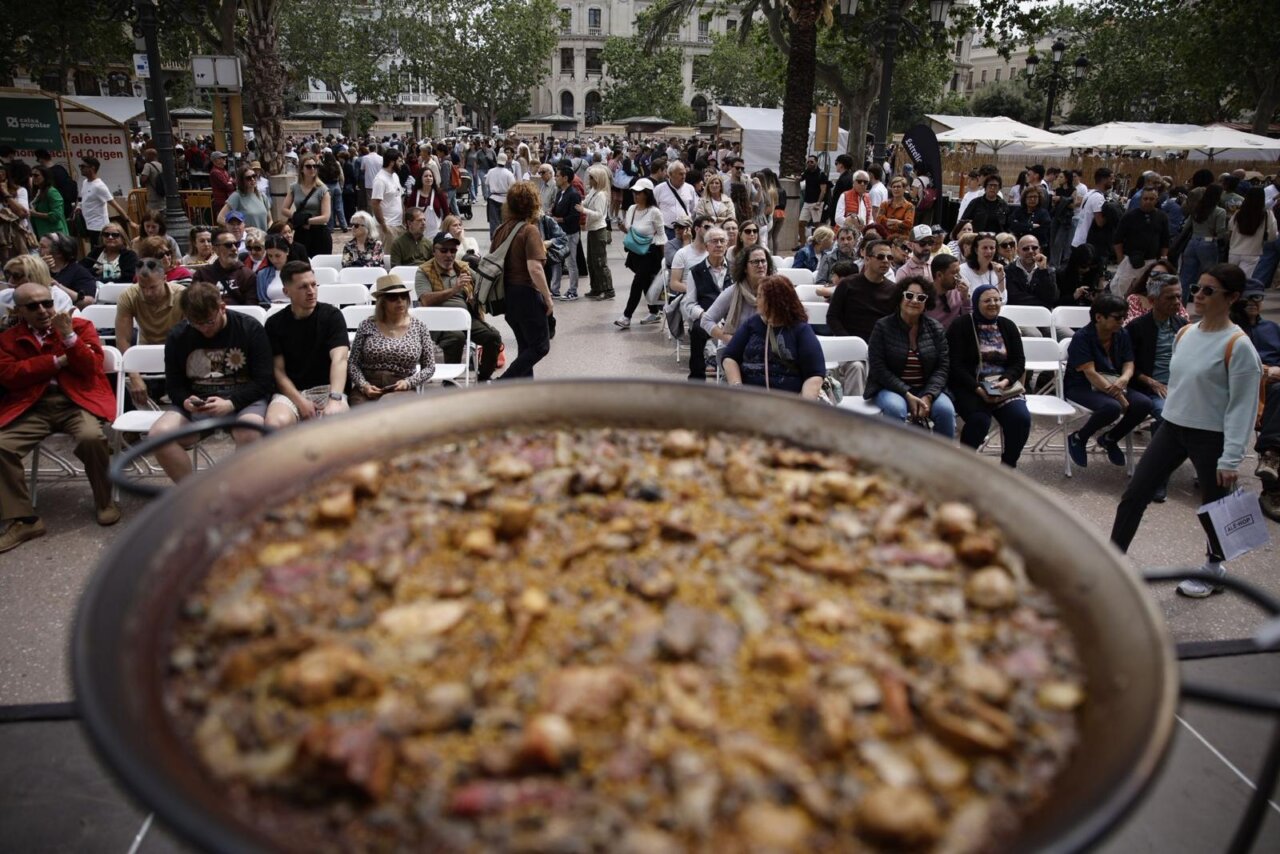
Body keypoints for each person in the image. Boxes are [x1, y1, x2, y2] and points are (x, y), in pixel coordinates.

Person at [1111, 264, 1262, 597]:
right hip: (1173, 427)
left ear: (1232, 298)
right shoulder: (1185, 333)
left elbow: (1243, 407)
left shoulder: (1239, 346)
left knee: (1215, 508)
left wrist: (1231, 457)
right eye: (1196, 288)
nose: (1197, 296)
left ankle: (1213, 569)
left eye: (1209, 291)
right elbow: (1179, 384)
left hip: (1211, 436)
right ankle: (1112, 562)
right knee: (1135, 495)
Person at [0, 282, 120, 550]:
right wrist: (57, 362)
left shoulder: (80, 327)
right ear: (19, 311)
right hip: (32, 405)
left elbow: (90, 367)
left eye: (47, 303)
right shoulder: (8, 339)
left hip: (76, 400)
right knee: (1, 446)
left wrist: (69, 337)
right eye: (33, 306)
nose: (43, 310)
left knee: (92, 437)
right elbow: (9, 376)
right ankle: (25, 520)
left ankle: (105, 501)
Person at [149, 282, 273, 483]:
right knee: (158, 436)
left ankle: (239, 491)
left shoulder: (249, 328)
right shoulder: (179, 335)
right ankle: (192, 493)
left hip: (243, 399)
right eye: (195, 323)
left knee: (250, 431)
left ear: (222, 307)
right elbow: (173, 386)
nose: (204, 329)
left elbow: (264, 381)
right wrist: (186, 401)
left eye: (209, 322)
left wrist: (231, 403)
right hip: (199, 402)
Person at [1064, 293, 1154, 469]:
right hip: (1082, 386)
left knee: (1144, 403)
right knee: (1112, 407)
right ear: (1099, 317)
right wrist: (1120, 397)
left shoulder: (1121, 334)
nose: (1122, 321)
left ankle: (1110, 438)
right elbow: (1090, 373)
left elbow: (1129, 362)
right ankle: (1079, 438)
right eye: (1117, 317)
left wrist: (1124, 378)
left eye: (1124, 317)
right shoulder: (1082, 337)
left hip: (1114, 382)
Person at [947, 284, 1031, 467]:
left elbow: (1019, 361)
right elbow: (955, 365)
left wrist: (1006, 380)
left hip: (1002, 386)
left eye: (997, 299)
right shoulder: (961, 325)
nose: (993, 303)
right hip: (970, 386)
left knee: (1020, 418)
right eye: (987, 300)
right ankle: (963, 464)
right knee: (979, 421)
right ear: (976, 303)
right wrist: (978, 388)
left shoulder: (1008, 326)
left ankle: (1008, 465)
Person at [1125, 270, 1188, 502]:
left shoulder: (1183, 327)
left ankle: (1212, 475)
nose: (1177, 302)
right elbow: (1126, 365)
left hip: (1182, 388)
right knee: (1165, 416)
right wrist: (1151, 382)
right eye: (1170, 297)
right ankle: (1156, 479)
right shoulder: (1137, 328)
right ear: (1152, 300)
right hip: (1150, 389)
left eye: (1179, 296)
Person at [866, 276, 955, 437]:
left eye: (921, 298)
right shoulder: (882, 326)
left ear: (926, 303)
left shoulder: (936, 328)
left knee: (946, 411)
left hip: (927, 389)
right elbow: (878, 368)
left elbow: (942, 367)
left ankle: (942, 454)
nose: (914, 301)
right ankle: (896, 453)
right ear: (900, 298)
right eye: (909, 295)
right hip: (891, 389)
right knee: (896, 409)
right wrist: (907, 394)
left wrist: (928, 396)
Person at [263, 261, 349, 428]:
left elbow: (339, 359)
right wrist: (300, 401)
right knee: (274, 424)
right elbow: (278, 371)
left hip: (328, 389)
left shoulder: (332, 316)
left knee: (338, 417)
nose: (311, 291)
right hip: (291, 392)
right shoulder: (274, 324)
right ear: (286, 292)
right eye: (303, 287)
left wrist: (335, 399)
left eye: (313, 285)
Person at [415, 231, 503, 382]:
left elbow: (483, 284)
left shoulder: (462, 268)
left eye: (453, 251)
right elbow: (426, 300)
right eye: (444, 250)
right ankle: (450, 381)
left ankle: (483, 378)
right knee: (456, 337)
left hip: (466, 318)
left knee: (493, 337)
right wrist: (454, 289)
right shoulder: (424, 271)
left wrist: (478, 295)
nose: (449, 255)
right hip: (438, 322)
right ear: (434, 251)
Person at [722, 275, 825, 399]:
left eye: (760, 296)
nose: (756, 300)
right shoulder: (752, 324)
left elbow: (814, 374)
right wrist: (737, 387)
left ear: (774, 300)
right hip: (749, 398)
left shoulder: (800, 330)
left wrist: (802, 405)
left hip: (788, 401)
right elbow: (730, 357)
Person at [489, 181, 552, 379]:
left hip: (507, 295)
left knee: (525, 346)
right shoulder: (529, 230)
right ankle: (503, 383)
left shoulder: (501, 230)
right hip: (526, 293)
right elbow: (535, 268)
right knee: (540, 346)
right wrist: (548, 298)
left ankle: (524, 391)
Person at [1233, 280, 1280, 519]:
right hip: (1243, 388)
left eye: (1258, 298)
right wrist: (1262, 370)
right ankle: (1271, 458)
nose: (1253, 303)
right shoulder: (1231, 329)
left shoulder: (1272, 328)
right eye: (1248, 298)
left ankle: (1271, 459)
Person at [349, 274, 435, 404]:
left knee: (389, 407)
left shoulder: (419, 327)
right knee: (363, 410)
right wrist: (364, 385)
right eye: (393, 297)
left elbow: (429, 367)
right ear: (382, 301)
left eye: (404, 296)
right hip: (369, 384)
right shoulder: (366, 325)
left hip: (401, 387)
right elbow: (353, 363)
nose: (400, 301)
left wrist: (409, 382)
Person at [116, 256, 186, 407]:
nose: (147, 293)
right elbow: (123, 339)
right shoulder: (128, 296)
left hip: (178, 351)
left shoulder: (182, 295)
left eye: (153, 287)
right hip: (146, 349)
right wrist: (134, 375)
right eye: (143, 287)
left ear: (165, 279)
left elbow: (192, 335)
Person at [615, 178, 667, 329]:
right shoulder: (631, 209)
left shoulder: (655, 212)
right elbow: (630, 230)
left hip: (650, 253)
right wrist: (623, 228)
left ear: (647, 194)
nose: (635, 195)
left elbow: (662, 236)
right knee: (644, 282)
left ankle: (627, 316)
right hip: (635, 253)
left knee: (637, 283)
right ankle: (654, 312)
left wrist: (664, 260)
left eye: (639, 193)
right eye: (634, 192)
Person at [683, 226, 732, 381]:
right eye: (714, 241)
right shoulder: (695, 271)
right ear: (706, 246)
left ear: (727, 245)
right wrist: (705, 316)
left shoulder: (736, 269)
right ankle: (696, 379)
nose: (719, 245)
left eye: (722, 241)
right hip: (707, 317)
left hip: (732, 318)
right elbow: (690, 304)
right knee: (697, 330)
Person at [703, 244, 772, 351]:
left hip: (768, 348)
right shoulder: (733, 291)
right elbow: (706, 320)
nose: (760, 265)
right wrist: (730, 339)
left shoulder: (775, 291)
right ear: (744, 268)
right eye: (755, 262)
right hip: (737, 349)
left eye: (763, 261)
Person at [827, 239, 897, 340]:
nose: (886, 261)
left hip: (880, 343)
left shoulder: (894, 290)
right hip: (849, 342)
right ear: (867, 259)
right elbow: (832, 316)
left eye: (889, 257)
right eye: (880, 257)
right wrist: (848, 340)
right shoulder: (847, 284)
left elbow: (894, 323)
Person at [1110, 186, 1169, 296]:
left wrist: (1163, 259)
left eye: (1151, 199)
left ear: (1156, 200)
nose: (1148, 201)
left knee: (1150, 292)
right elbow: (1117, 239)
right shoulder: (1129, 216)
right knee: (1120, 291)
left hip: (1152, 261)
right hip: (1129, 260)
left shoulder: (1162, 217)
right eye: (1145, 198)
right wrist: (1120, 259)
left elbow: (1165, 240)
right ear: (1141, 199)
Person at [76, 156, 134, 251]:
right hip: (89, 226)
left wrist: (129, 221)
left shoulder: (99, 186)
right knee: (96, 253)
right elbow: (84, 199)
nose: (80, 168)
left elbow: (115, 205)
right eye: (80, 166)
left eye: (83, 166)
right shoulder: (85, 182)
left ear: (92, 168)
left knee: (101, 252)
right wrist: (79, 207)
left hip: (99, 227)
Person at [283, 154, 333, 257]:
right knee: (301, 262)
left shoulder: (323, 189)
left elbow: (326, 217)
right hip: (301, 232)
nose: (312, 169)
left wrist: (306, 220)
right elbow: (284, 209)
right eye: (308, 166)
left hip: (319, 232)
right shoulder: (294, 187)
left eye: (315, 166)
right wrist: (296, 216)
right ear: (302, 169)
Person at [192, 227, 257, 305]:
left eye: (236, 244)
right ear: (215, 249)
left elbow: (251, 306)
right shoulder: (202, 275)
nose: (234, 248)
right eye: (228, 245)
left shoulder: (247, 275)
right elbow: (194, 304)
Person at [2, 255, 74, 321]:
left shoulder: (59, 297)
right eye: (9, 275)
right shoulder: (4, 296)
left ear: (33, 277)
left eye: (16, 276)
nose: (10, 281)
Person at [549, 164, 583, 300]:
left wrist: (559, 219)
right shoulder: (560, 193)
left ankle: (573, 290)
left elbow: (574, 216)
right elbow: (556, 209)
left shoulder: (573, 195)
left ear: (565, 178)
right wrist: (551, 213)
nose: (555, 178)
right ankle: (555, 289)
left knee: (571, 262)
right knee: (556, 261)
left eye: (557, 176)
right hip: (559, 233)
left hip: (570, 233)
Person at [580, 163, 614, 300]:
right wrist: (580, 204)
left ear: (598, 179)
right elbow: (586, 201)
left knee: (600, 262)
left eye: (592, 178)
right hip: (592, 229)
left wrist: (583, 210)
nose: (589, 180)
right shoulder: (594, 191)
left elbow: (599, 214)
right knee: (592, 261)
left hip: (599, 230)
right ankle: (596, 287)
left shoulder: (601, 195)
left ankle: (608, 289)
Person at [1228, 187, 1276, 277]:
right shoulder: (1267, 214)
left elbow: (1230, 230)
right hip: (1252, 252)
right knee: (1244, 279)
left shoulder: (1238, 213)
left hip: (1234, 251)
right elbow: (1272, 235)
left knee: (1231, 279)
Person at [43, 233, 98, 310]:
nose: (38, 250)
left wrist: (58, 287)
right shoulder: (37, 269)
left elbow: (89, 302)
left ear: (59, 253)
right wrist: (40, 267)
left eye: (43, 247)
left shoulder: (79, 272)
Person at [218, 165, 271, 231]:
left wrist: (270, 231)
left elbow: (270, 220)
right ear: (242, 181)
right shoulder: (237, 196)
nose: (252, 179)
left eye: (254, 176)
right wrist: (239, 229)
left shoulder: (262, 196)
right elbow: (220, 218)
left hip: (263, 236)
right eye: (248, 178)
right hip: (247, 236)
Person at [925, 254, 970, 331]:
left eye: (958, 272)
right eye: (954, 273)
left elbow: (967, 320)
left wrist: (966, 298)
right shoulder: (924, 296)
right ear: (939, 275)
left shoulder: (959, 292)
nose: (958, 277)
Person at [370, 148, 405, 244]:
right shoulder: (380, 180)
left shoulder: (395, 176)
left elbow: (399, 198)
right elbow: (375, 204)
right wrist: (384, 226)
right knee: (388, 253)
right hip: (387, 227)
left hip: (398, 225)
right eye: (399, 161)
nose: (402, 163)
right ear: (392, 163)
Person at [796, 154, 829, 248]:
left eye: (812, 162)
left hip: (816, 202)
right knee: (801, 223)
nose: (809, 163)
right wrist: (797, 178)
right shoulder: (807, 172)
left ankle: (816, 245)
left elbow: (823, 190)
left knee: (816, 225)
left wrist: (818, 203)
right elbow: (801, 178)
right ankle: (802, 244)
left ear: (816, 162)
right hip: (807, 202)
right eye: (808, 162)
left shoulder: (821, 174)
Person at [27, 165, 67, 239]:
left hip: (55, 234)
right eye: (31, 175)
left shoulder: (51, 192)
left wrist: (36, 214)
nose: (33, 178)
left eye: (36, 175)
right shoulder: (38, 192)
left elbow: (56, 215)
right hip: (43, 233)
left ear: (45, 176)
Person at [485, 152, 516, 239]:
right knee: (505, 221)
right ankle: (504, 238)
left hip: (493, 198)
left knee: (494, 222)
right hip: (505, 199)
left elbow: (486, 183)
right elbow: (513, 186)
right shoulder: (508, 173)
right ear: (506, 161)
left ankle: (494, 238)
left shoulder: (491, 171)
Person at [254, 235, 292, 304]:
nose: (274, 260)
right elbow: (262, 300)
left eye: (278, 256)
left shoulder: (300, 271)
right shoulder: (262, 274)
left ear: (287, 251)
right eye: (270, 256)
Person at [875, 176, 916, 241]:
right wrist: (898, 222)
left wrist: (889, 222)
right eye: (893, 187)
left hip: (901, 240)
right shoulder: (884, 204)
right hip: (885, 239)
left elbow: (908, 224)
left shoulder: (909, 206)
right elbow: (878, 220)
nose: (895, 189)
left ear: (904, 188)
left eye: (898, 187)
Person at [207, 151, 234, 217]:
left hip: (228, 200)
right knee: (224, 220)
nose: (225, 159)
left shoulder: (223, 170)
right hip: (222, 202)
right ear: (216, 160)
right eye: (222, 158)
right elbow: (228, 187)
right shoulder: (215, 172)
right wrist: (230, 182)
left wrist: (231, 182)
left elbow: (233, 182)